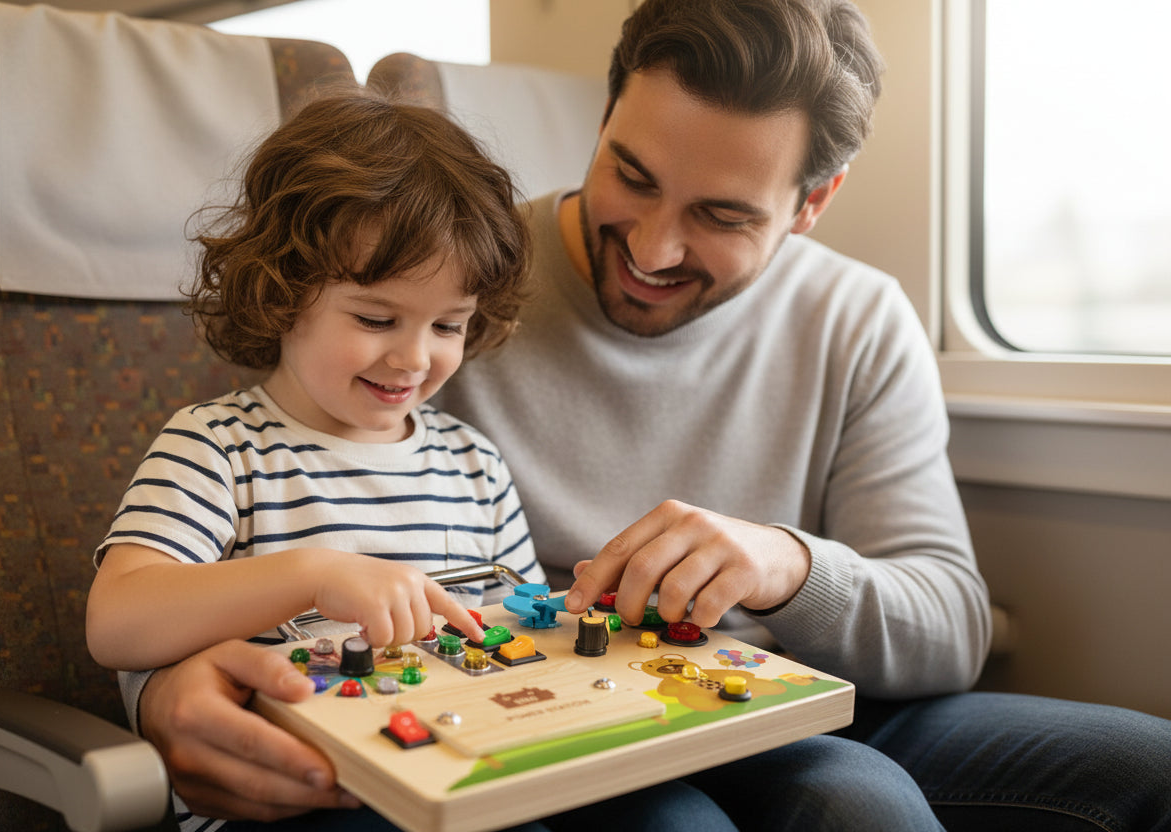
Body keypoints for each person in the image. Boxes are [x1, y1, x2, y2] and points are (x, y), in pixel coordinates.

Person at [119, 2, 1171, 830]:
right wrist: (161, 694)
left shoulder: (857, 315)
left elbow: (949, 622)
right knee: (840, 803)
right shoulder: (451, 286)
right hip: (566, 719)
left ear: (813, 201)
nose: (656, 248)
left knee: (1143, 769)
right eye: (631, 174)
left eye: (720, 214)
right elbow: (270, 495)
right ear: (607, 115)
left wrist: (785, 565)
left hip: (797, 696)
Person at [88, 91, 740, 832]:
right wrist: (315, 574)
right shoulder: (218, 448)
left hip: (474, 767)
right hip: (300, 800)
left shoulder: (473, 462)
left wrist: (594, 617)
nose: (414, 357)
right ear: (283, 288)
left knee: (683, 821)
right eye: (375, 318)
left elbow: (517, 629)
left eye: (449, 325)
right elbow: (116, 620)